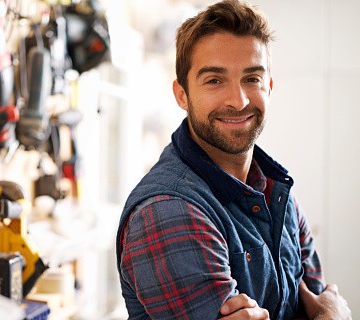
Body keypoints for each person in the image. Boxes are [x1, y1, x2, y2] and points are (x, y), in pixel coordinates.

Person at [115, 0, 352, 319]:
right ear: (182, 94)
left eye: (252, 79)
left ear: (269, 86)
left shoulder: (276, 191)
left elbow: (316, 297)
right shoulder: (169, 210)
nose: (238, 101)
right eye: (214, 80)